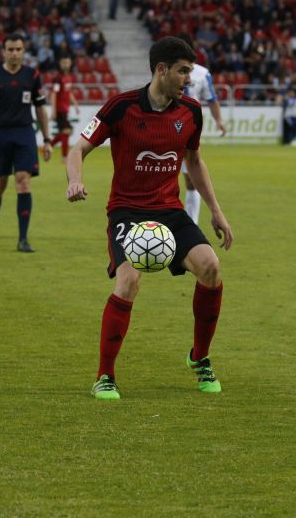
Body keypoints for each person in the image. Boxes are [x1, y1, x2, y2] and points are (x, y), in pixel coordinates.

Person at [66, 36, 234, 400]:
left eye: (190, 71)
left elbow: (193, 160)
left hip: (169, 210)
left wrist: (216, 211)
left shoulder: (190, 111)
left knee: (211, 268)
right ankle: (105, 376)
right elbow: (77, 149)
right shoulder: (121, 107)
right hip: (127, 210)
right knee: (128, 282)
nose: (188, 79)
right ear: (161, 69)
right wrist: (75, 180)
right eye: (183, 71)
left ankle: (199, 357)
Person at [0, 33, 52, 252]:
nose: (15, 53)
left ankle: (23, 238)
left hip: (24, 134)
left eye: (18, 49)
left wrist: (46, 139)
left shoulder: (32, 75)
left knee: (23, 181)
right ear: (4, 51)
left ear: (23, 51)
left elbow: (40, 109)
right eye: (11, 49)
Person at [175, 33, 227, 224]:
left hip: (189, 130)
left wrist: (219, 120)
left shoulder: (203, 74)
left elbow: (212, 100)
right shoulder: (167, 71)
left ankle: (191, 224)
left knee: (191, 179)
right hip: (166, 128)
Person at [47, 56, 79, 161]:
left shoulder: (69, 77)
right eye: (64, 62)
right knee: (66, 131)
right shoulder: (58, 78)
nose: (66, 64)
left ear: (70, 63)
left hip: (65, 109)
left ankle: (48, 146)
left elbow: (69, 92)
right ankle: (64, 157)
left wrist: (75, 104)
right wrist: (53, 111)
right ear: (60, 64)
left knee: (65, 132)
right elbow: (54, 94)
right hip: (59, 109)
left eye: (68, 62)